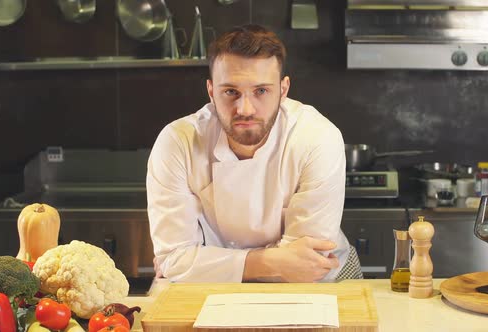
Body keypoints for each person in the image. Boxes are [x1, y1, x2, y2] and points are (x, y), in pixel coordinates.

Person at [146, 24, 361, 283]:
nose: (245, 109)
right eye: (230, 92)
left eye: (261, 91)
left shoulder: (317, 137)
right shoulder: (177, 142)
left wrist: (201, 263)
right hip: (217, 289)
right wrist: (274, 261)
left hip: (321, 281)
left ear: (283, 90)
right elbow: (173, 259)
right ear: (211, 91)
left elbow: (306, 265)